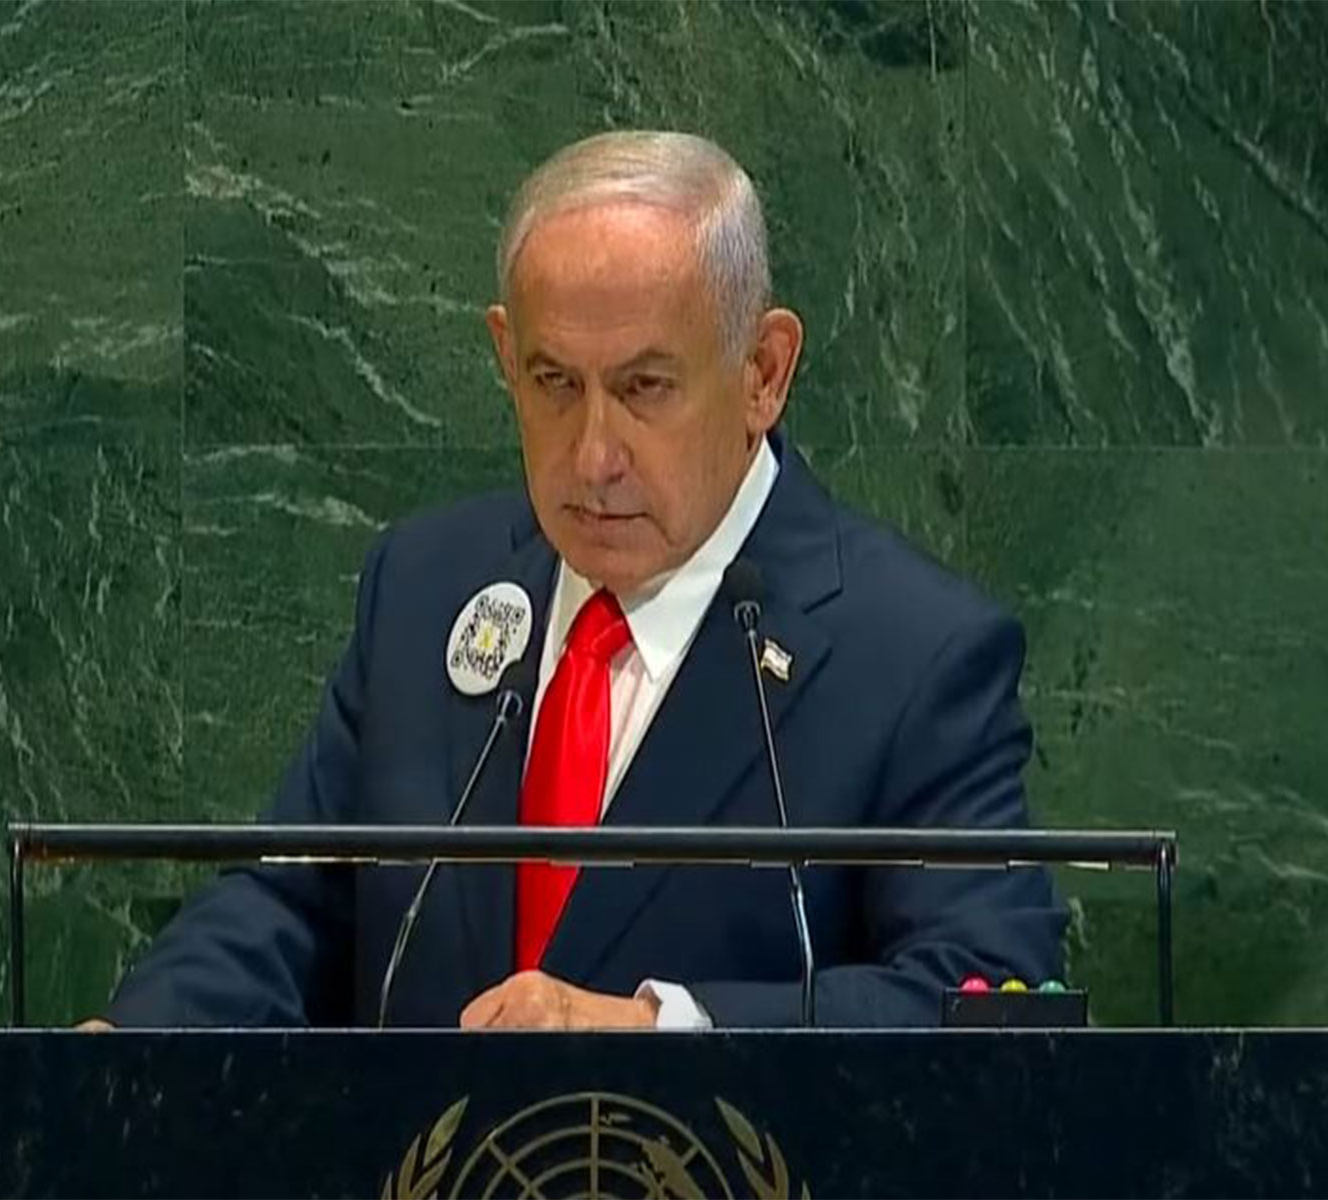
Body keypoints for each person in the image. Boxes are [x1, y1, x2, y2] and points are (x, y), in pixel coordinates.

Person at [98, 131, 1064, 1031]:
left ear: (765, 371)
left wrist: (658, 1027)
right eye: (555, 383)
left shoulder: (912, 652)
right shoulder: (426, 587)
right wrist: (129, 1045)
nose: (593, 455)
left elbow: (987, 990)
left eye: (645, 387)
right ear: (503, 358)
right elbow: (293, 899)